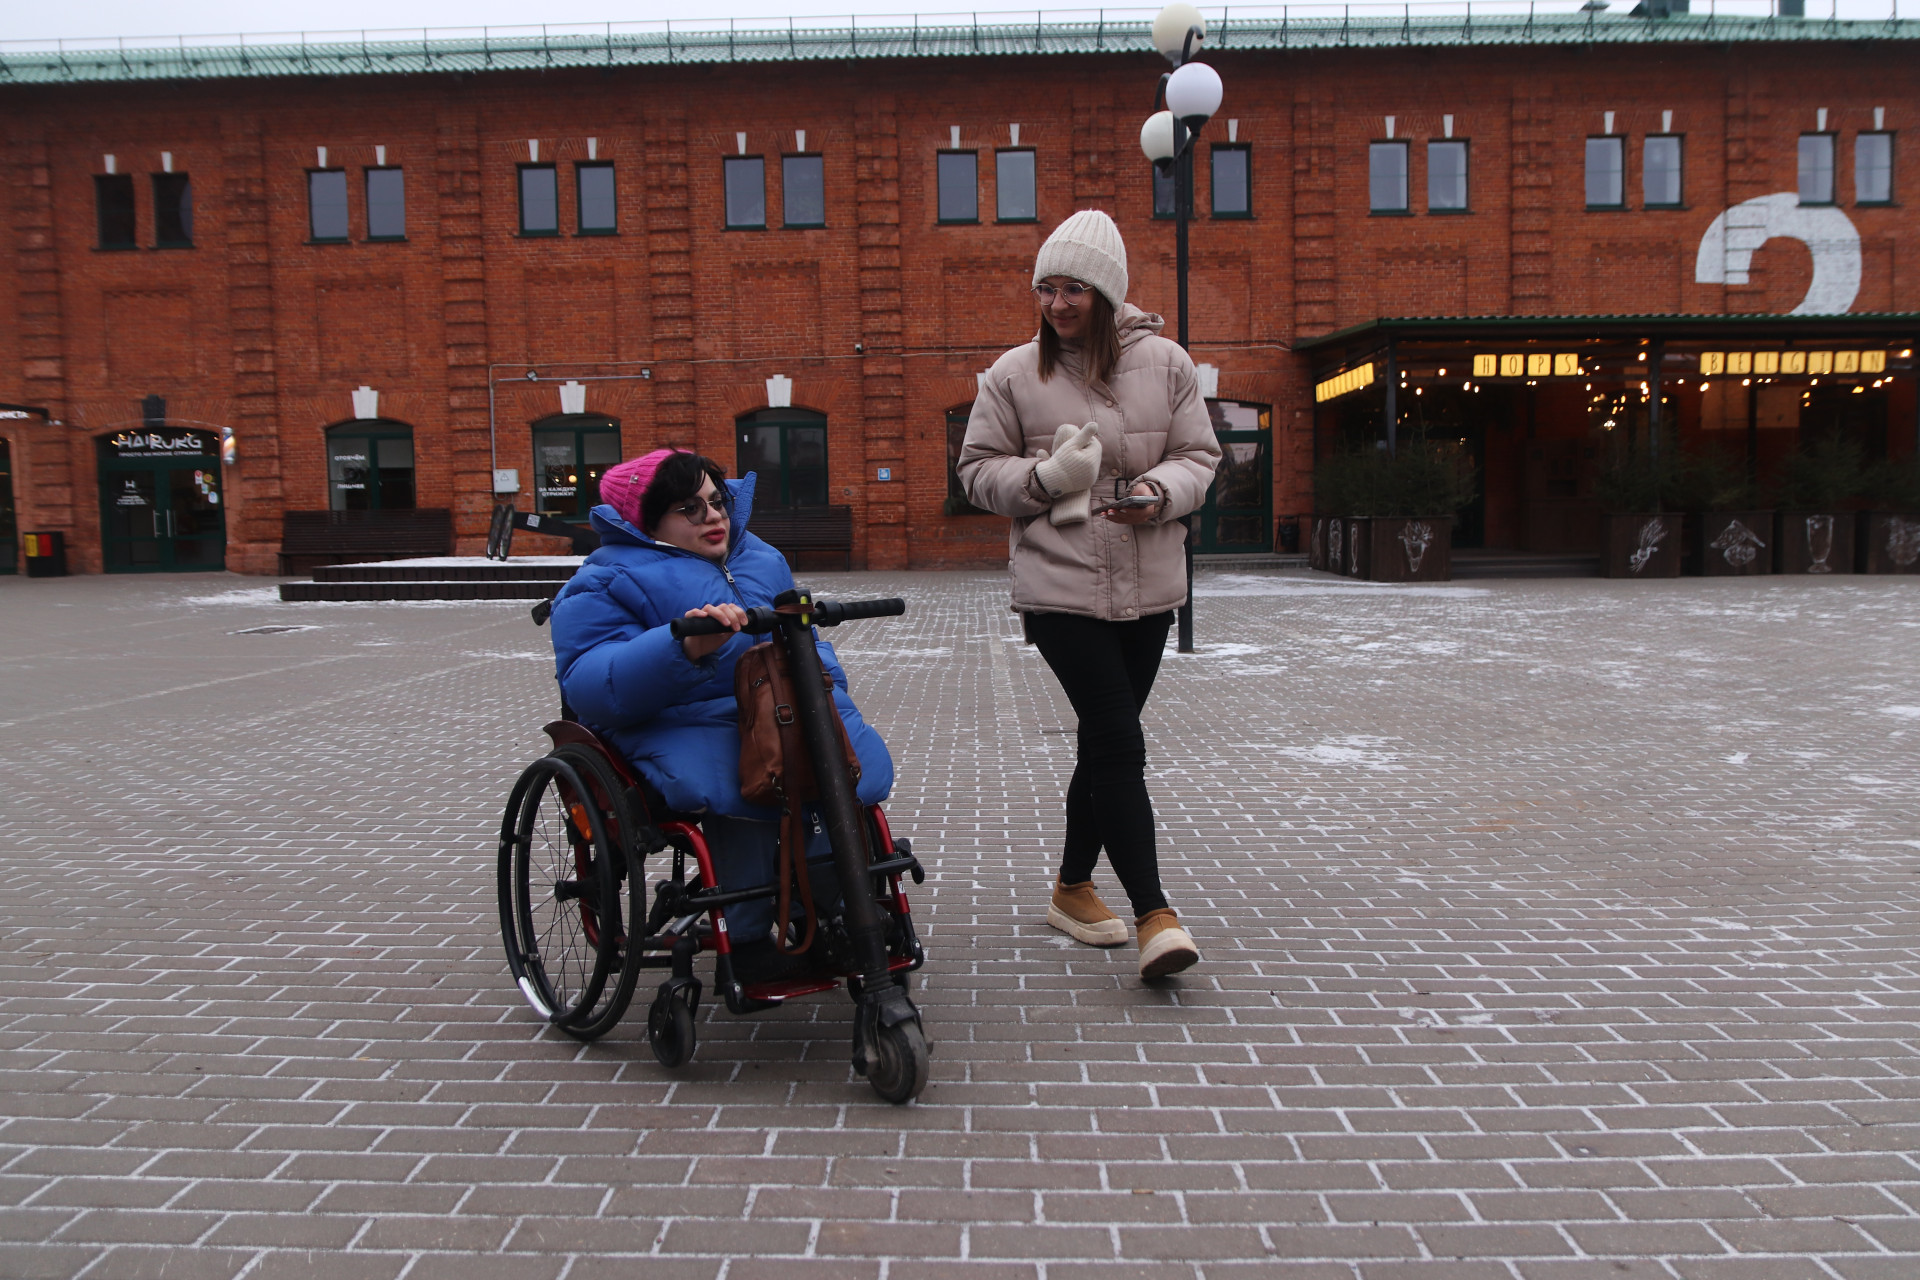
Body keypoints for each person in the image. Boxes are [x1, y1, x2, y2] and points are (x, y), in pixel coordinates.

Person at [957, 209, 1221, 981]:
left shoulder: (1167, 363)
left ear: (1107, 293)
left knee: (1104, 743)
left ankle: (1074, 889)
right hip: (1060, 587)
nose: (1058, 303)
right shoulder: (1013, 373)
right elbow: (975, 472)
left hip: (1147, 585)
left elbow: (1199, 457)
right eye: (1046, 288)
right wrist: (1044, 480)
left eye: (1074, 288)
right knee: (1118, 739)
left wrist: (1157, 491)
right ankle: (1155, 914)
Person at [545, 448, 894, 984]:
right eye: (690, 508)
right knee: (742, 790)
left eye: (717, 502)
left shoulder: (761, 559)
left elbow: (807, 639)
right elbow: (594, 681)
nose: (713, 517)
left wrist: (826, 687)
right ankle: (751, 934)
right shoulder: (603, 580)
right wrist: (681, 647)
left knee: (840, 773)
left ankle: (840, 909)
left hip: (781, 710)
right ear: (646, 520)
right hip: (675, 719)